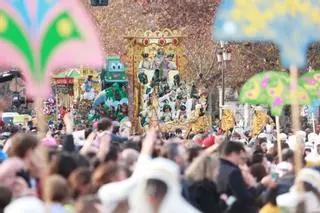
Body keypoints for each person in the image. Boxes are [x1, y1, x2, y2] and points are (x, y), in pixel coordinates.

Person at [217, 140, 272, 213]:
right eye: (241, 153)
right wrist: (260, 185)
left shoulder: (219, 167)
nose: (242, 156)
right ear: (233, 153)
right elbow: (246, 198)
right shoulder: (234, 172)